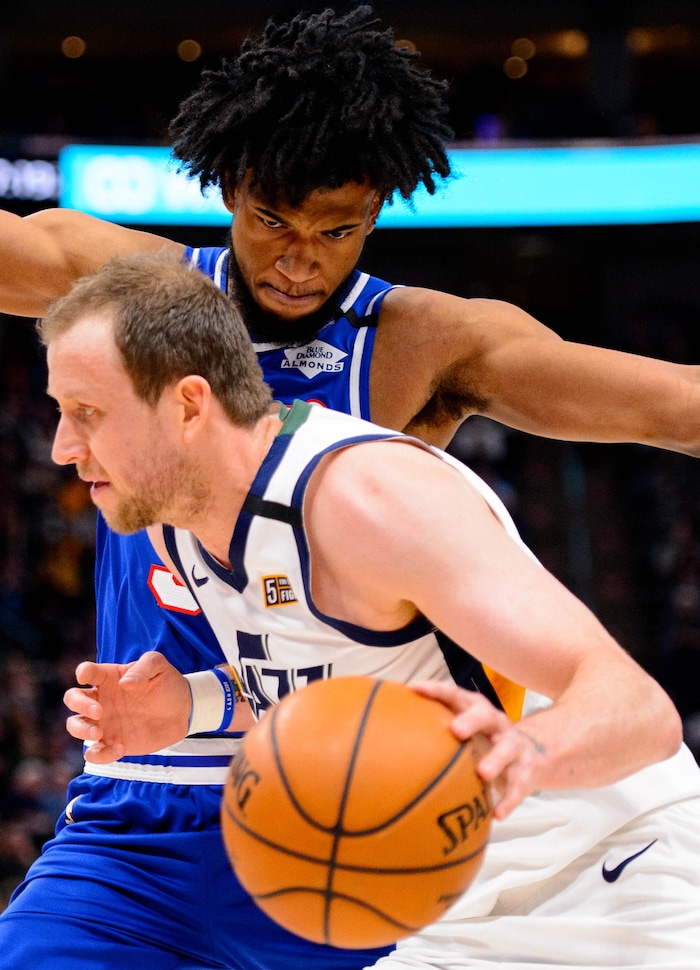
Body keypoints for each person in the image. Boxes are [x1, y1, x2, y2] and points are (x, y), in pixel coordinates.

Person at [1, 5, 700, 967]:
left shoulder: (420, 350)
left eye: (337, 230)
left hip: (348, 792)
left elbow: (671, 408)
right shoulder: (137, 308)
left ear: (375, 212)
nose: (298, 260)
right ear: (230, 191)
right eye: (272, 222)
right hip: (155, 782)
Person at [43, 252, 700, 968]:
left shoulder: (366, 500)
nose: (62, 448)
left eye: (88, 414)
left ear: (190, 407)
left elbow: (638, 707)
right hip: (449, 907)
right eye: (59, 412)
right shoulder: (179, 522)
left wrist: (526, 753)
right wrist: (192, 705)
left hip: (606, 877)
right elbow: (334, 683)